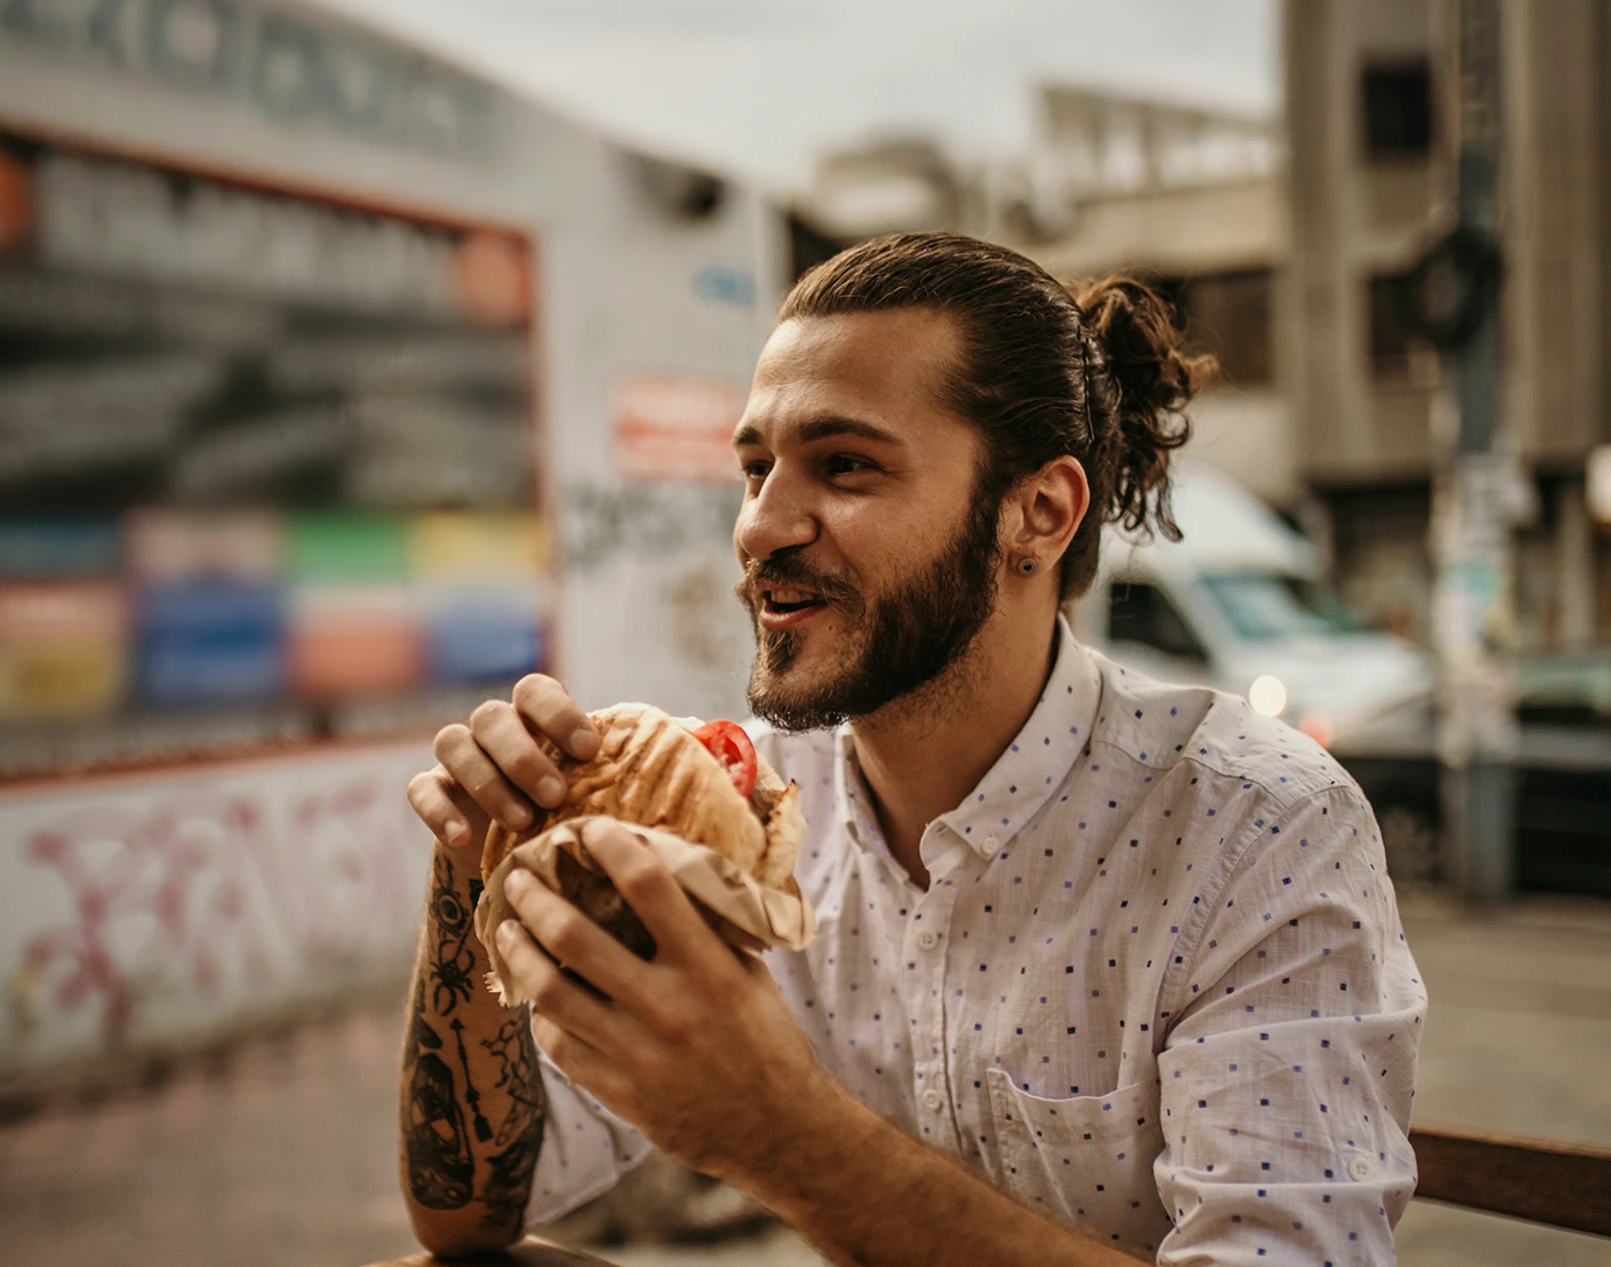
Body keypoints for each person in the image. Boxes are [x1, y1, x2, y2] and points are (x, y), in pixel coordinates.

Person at [397, 233, 1425, 1265]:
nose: (760, 525)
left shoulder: (1256, 827)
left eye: (844, 466)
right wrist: (469, 866)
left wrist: (782, 1134)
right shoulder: (729, 808)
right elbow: (471, 1213)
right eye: (756, 468)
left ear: (1039, 510)